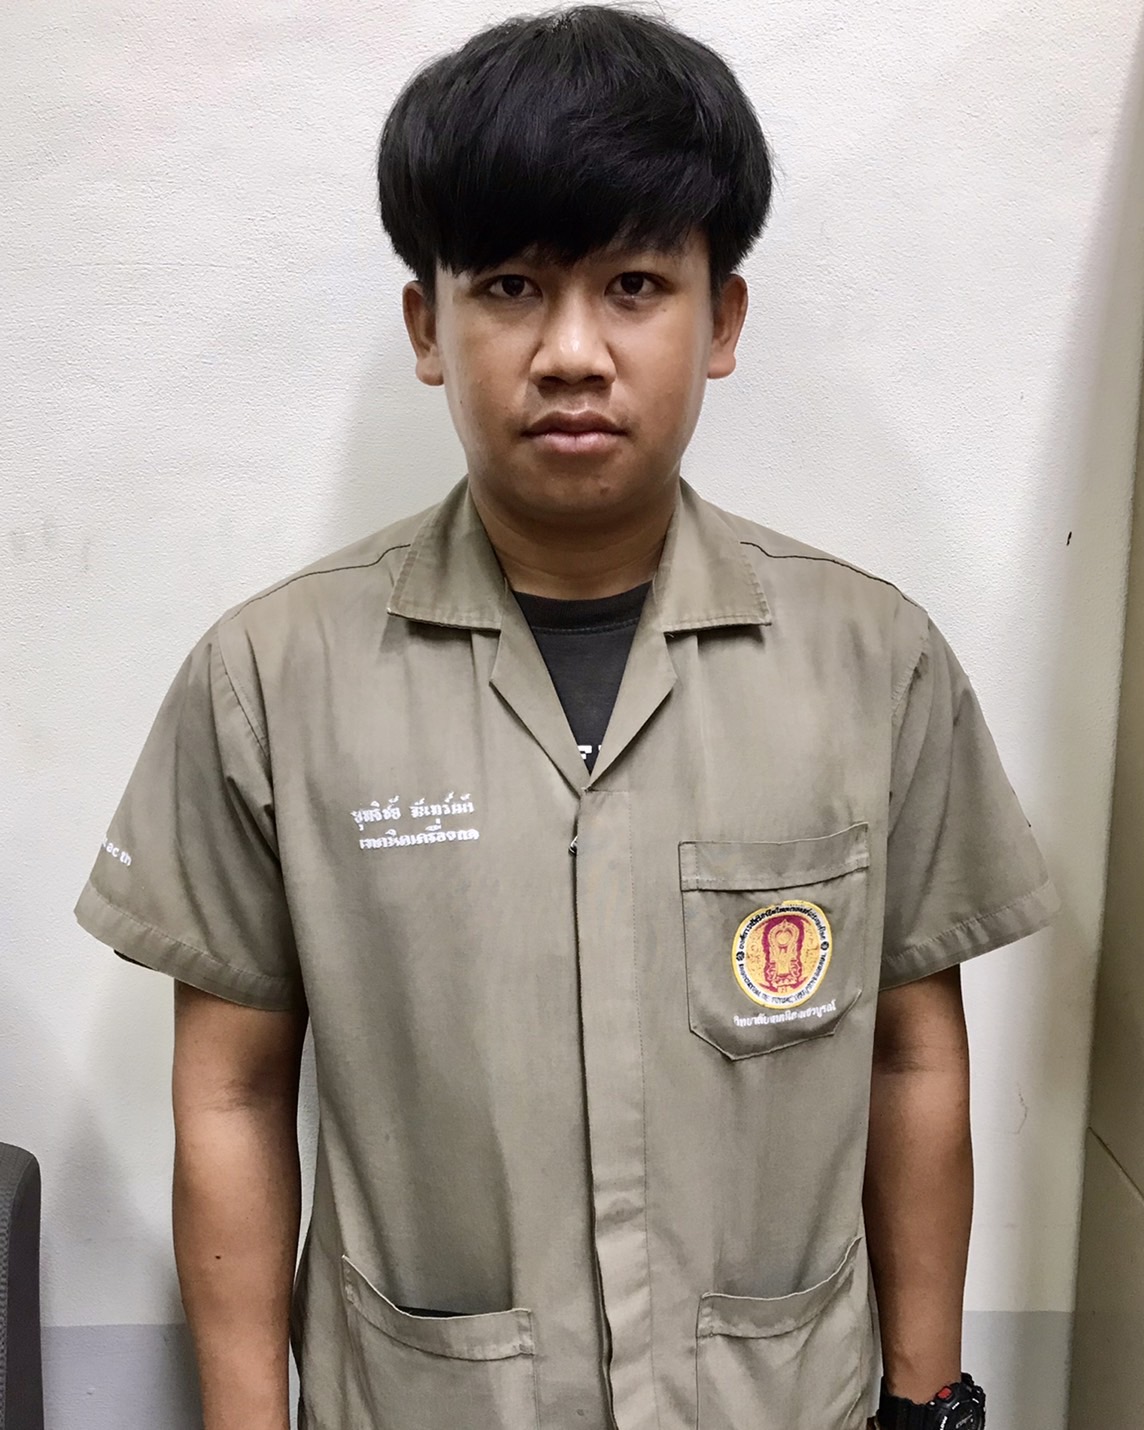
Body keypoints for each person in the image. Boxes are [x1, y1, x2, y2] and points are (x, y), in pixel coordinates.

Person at [74, 7, 1058, 1429]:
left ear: (722, 321)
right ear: (429, 326)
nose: (574, 351)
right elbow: (230, 1093)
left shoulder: (872, 663)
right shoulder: (272, 681)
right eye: (513, 287)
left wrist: (924, 1400)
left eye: (636, 284)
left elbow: (913, 1052)